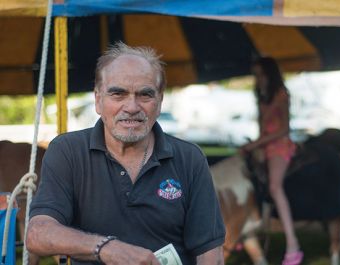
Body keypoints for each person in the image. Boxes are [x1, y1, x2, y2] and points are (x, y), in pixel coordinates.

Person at [26, 42, 225, 265]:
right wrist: (107, 248)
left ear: (159, 102)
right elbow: (38, 234)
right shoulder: (68, 151)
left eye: (144, 95)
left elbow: (210, 254)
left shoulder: (189, 158)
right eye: (118, 94)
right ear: (98, 100)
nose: (131, 106)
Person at [240, 57, 303, 265]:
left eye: (260, 74)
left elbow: (284, 129)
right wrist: (255, 146)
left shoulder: (280, 94)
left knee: (275, 187)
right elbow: (261, 129)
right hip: (265, 146)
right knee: (250, 177)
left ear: (270, 74)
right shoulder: (262, 97)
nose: (258, 79)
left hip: (280, 145)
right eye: (256, 74)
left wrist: (256, 144)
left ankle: (293, 245)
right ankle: (247, 228)